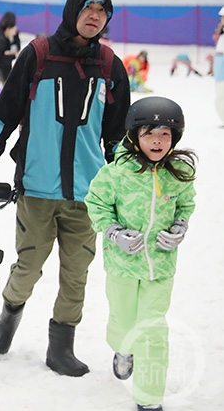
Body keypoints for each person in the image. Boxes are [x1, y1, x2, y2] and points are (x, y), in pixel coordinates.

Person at [0, 0, 130, 376]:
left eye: (103, 11)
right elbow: (5, 112)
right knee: (28, 266)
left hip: (88, 193)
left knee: (76, 273)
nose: (95, 16)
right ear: (73, 10)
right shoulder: (39, 55)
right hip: (37, 188)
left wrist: (126, 185)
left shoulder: (110, 66)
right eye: (89, 8)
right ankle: (9, 314)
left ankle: (61, 345)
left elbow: (117, 136)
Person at [85, 97, 196, 411]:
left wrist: (179, 227)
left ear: (175, 137)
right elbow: (96, 205)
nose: (157, 141)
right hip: (122, 265)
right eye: (149, 133)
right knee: (123, 324)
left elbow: (186, 204)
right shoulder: (116, 173)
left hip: (160, 267)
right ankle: (122, 349)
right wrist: (114, 233)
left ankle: (148, 400)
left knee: (153, 330)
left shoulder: (180, 172)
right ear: (135, 136)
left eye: (165, 134)